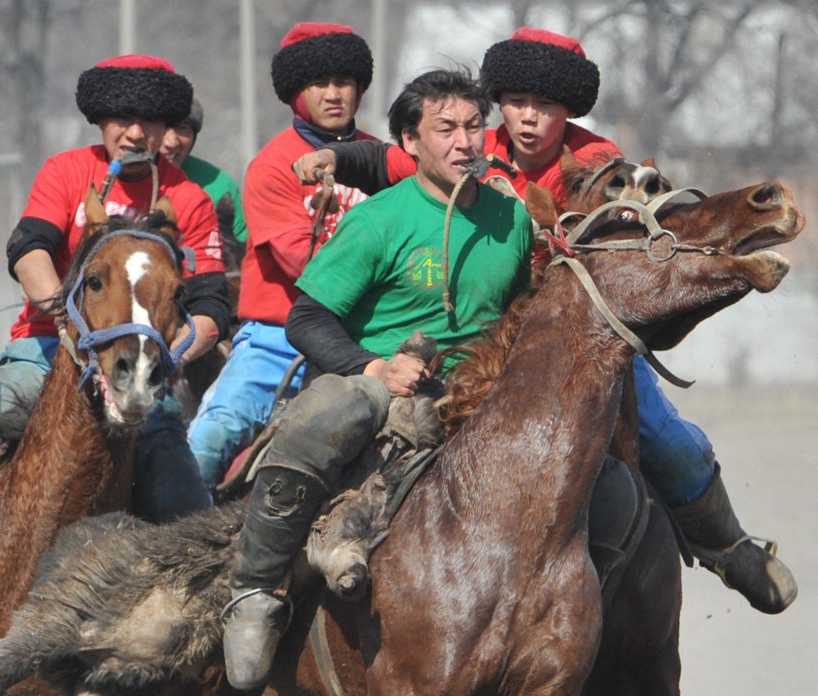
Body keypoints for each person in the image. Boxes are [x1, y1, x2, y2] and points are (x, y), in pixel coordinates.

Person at [294, 27, 797, 616]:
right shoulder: (473, 145)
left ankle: (727, 546)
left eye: (547, 106)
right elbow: (383, 155)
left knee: (660, 430)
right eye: (517, 103)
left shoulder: (601, 167)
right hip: (493, 340)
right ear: (499, 102)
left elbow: (662, 216)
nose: (529, 118)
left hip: (582, 336)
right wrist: (336, 155)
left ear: (571, 111)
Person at [0, 54, 229, 617]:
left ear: (168, 127)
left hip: (143, 365)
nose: (135, 132)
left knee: (182, 489)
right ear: (101, 120)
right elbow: (27, 247)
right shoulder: (65, 171)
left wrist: (166, 358)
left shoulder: (190, 199)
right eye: (122, 118)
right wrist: (64, 319)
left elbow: (210, 305)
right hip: (49, 346)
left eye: (149, 121)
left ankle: (210, 608)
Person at [221, 67, 532, 690]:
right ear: (410, 143)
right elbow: (307, 318)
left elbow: (522, 313)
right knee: (330, 409)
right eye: (445, 128)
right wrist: (374, 367)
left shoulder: (512, 219)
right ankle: (255, 591)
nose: (463, 142)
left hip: (481, 388)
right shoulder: (377, 221)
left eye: (474, 127)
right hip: (383, 384)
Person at [186, 22, 378, 488]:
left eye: (344, 82)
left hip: (369, 335)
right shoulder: (273, 165)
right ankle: (159, 551)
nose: (334, 94)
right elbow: (305, 266)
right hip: (279, 339)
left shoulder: (380, 158)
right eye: (319, 83)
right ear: (296, 93)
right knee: (206, 442)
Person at [160, 97, 248, 266]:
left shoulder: (219, 186)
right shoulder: (114, 178)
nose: (171, 142)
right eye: (163, 127)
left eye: (182, 128)